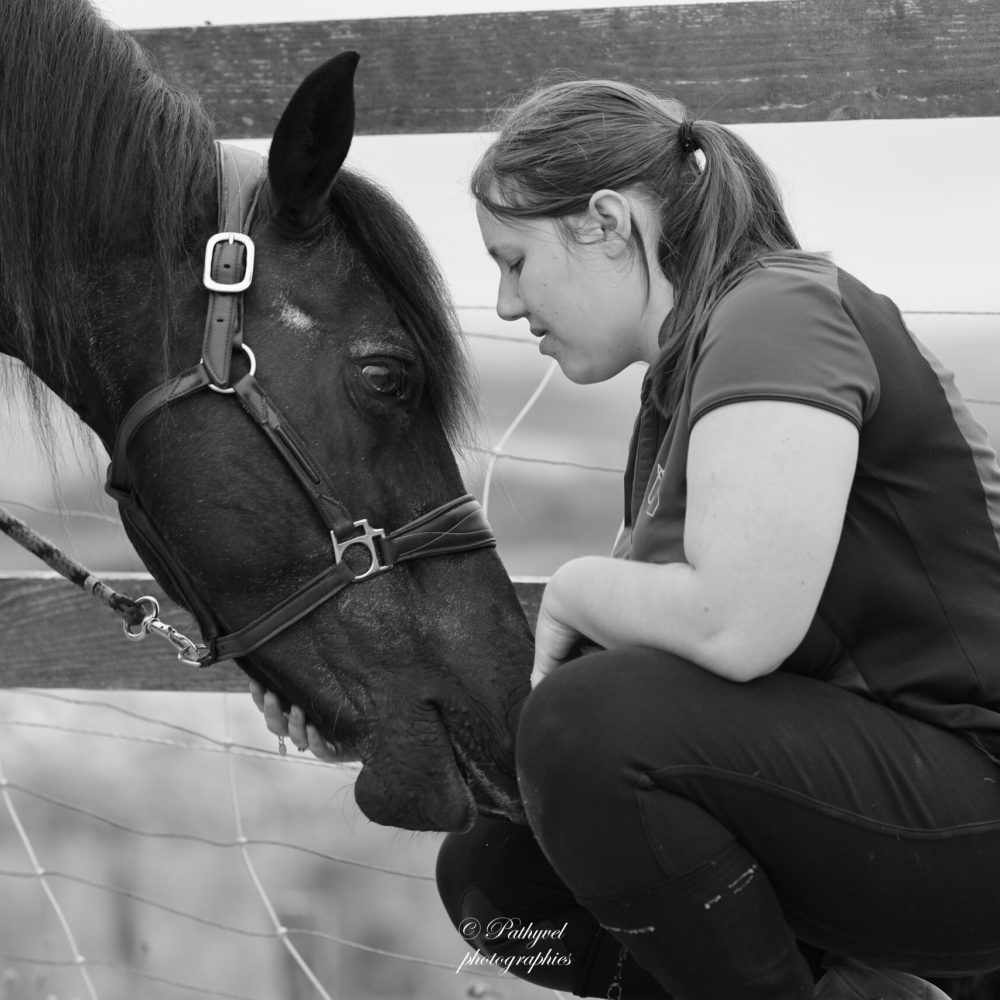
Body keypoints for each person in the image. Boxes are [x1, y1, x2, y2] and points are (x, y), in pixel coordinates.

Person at [254, 79, 1000, 1000]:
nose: (506, 301)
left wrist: (572, 586)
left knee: (590, 730)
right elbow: (625, 686)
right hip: (884, 804)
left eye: (515, 260)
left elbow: (733, 626)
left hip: (972, 806)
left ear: (606, 222)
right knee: (499, 878)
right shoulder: (679, 389)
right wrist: (365, 716)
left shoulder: (779, 315)